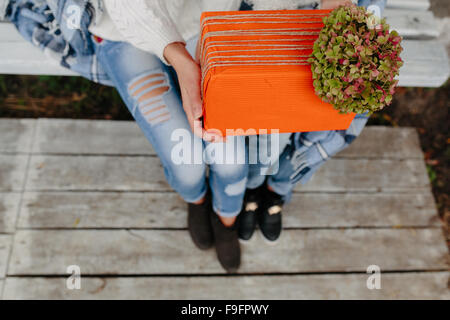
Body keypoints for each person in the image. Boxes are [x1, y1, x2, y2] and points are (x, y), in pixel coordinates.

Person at [238, 0, 387, 243]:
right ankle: (253, 187)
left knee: (334, 114)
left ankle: (277, 187)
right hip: (288, 17)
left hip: (348, 21)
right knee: (268, 116)